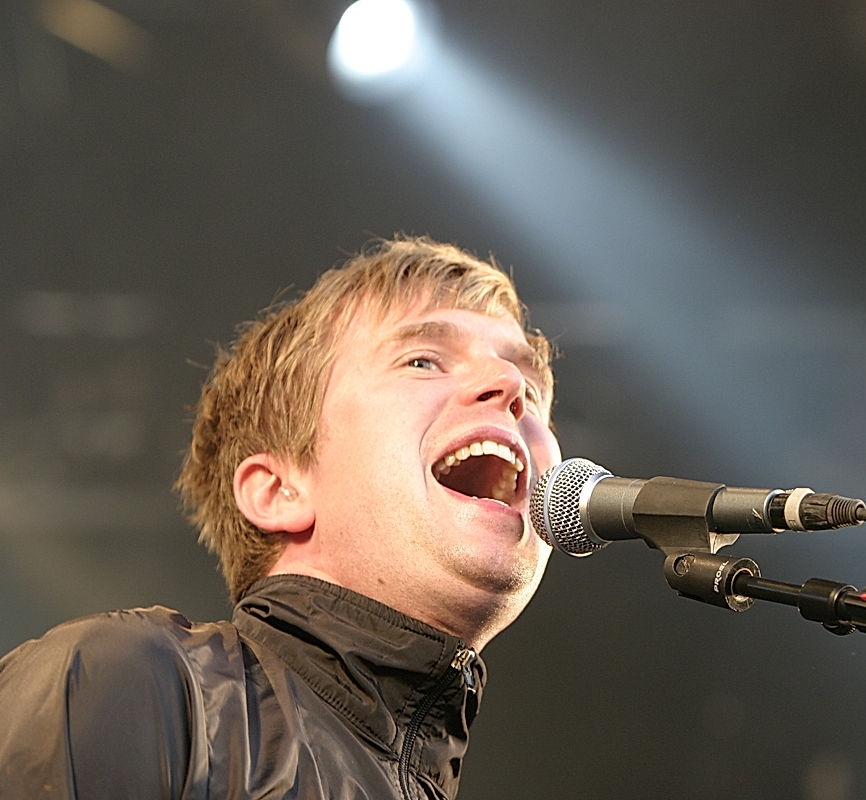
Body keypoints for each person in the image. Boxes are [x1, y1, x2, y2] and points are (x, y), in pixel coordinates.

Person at [0, 235, 561, 799]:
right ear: (279, 491)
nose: (512, 387)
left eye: (533, 388)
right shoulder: (134, 684)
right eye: (422, 361)